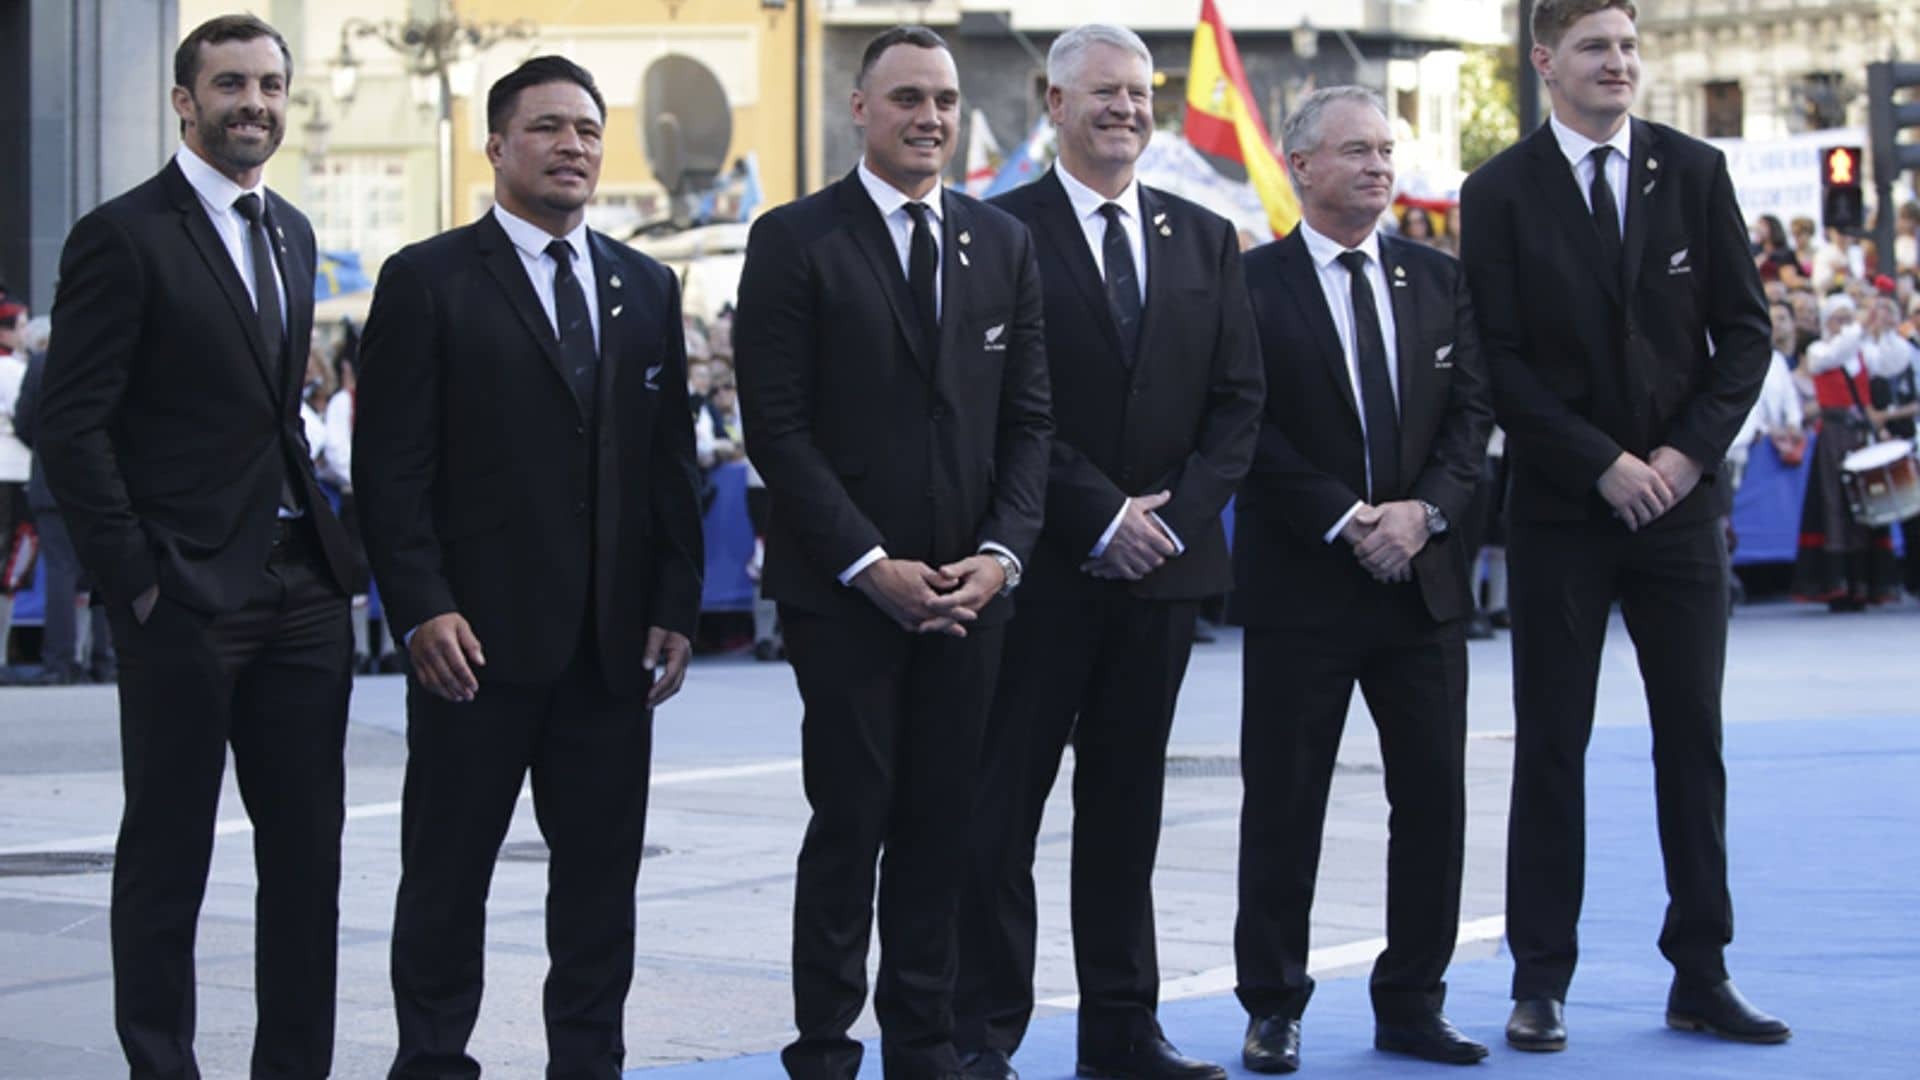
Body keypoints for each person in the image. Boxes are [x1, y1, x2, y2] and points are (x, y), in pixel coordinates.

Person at [353, 55, 704, 1079]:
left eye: (589, 130)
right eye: (548, 128)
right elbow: (391, 472)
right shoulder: (427, 280)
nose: (573, 147)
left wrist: (674, 603)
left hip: (610, 653)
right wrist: (420, 607)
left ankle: (588, 1062)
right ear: (497, 144)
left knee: (600, 890)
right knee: (445, 882)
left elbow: (667, 465)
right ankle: (431, 1060)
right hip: (474, 647)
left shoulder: (646, 286)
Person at [35, 15, 363, 1076]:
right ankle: (161, 1065)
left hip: (300, 586)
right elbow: (65, 421)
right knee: (169, 853)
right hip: (182, 593)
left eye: (270, 83)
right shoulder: (122, 236)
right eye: (231, 84)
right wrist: (133, 580)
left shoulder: (295, 232)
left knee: (308, 860)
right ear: (186, 101)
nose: (254, 103)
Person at [1458, 0, 1785, 1051]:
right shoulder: (1499, 191)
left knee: (1695, 741)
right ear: (1545, 60)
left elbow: (1744, 336)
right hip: (1564, 510)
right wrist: (1603, 465)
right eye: (1597, 47)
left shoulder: (1695, 172)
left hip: (1683, 515)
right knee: (1552, 745)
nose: (1620, 64)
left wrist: (1682, 459)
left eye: (1630, 47)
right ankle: (1540, 980)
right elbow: (1497, 359)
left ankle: (1703, 971)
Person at [734, 25, 1051, 1078]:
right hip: (847, 599)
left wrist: (1002, 556)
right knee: (853, 820)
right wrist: (871, 566)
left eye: (945, 101)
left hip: (973, 597)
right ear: (859, 111)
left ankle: (924, 1044)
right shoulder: (795, 240)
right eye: (908, 98)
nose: (931, 119)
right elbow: (778, 430)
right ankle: (824, 1042)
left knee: (944, 825)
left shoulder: (1001, 244)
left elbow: (1030, 424)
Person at [950, 25, 1261, 1080]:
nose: (1127, 108)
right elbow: (995, 409)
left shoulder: (1206, 236)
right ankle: (983, 1032)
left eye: (1140, 92)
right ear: (1054, 101)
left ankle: (1122, 1031)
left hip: (1163, 575)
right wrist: (1099, 515)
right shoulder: (997, 233)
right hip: (1040, 572)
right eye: (1104, 93)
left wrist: (1169, 522)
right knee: (1003, 810)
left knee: (1128, 808)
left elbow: (1238, 403)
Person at [1234, 87, 1494, 1073]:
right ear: (1302, 166)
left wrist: (1421, 515)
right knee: (1284, 802)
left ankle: (1413, 1000)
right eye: (1356, 152)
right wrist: (1348, 517)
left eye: (1387, 150)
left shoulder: (1437, 277)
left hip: (1420, 585)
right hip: (1304, 585)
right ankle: (1272, 1004)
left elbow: (1472, 420)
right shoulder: (1249, 282)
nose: (1380, 167)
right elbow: (1243, 425)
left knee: (1432, 799)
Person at [11, 316, 117, 685]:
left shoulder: (42, 363)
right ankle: (105, 660)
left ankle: (59, 661)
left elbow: (25, 423)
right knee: (109, 570)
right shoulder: (112, 356)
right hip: (105, 479)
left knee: (60, 571)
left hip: (52, 479)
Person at [1789, 293, 1901, 609]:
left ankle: (1864, 583)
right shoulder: (1819, 349)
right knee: (1834, 505)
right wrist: (1861, 327)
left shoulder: (1860, 351)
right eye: (1837, 318)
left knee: (1865, 506)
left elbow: (1893, 361)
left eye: (1847, 317)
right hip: (1833, 438)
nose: (1844, 324)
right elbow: (1832, 356)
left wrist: (1885, 326)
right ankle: (1836, 584)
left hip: (1858, 434)